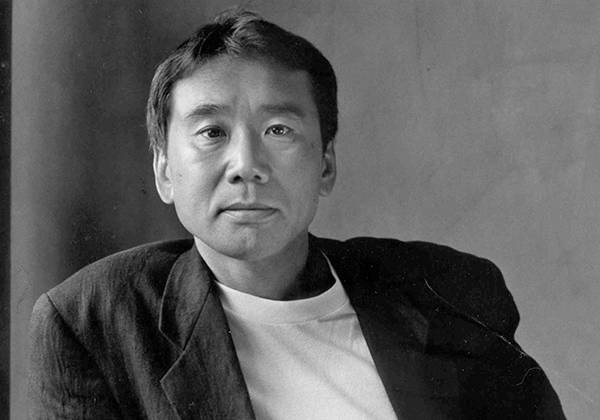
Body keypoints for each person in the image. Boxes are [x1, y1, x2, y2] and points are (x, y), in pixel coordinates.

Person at [28, 9, 565, 420]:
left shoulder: (451, 291)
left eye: (278, 130)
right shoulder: (93, 322)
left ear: (325, 163)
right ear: (165, 171)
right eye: (212, 132)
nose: (246, 165)